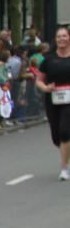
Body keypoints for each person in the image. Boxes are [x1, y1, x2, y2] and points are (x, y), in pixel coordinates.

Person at [31, 25, 70, 180]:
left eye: (64, 36)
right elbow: (39, 81)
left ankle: (64, 168)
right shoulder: (48, 60)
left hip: (69, 101)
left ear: (69, 38)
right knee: (56, 137)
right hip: (52, 100)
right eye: (59, 36)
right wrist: (45, 88)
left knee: (65, 131)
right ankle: (66, 152)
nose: (61, 39)